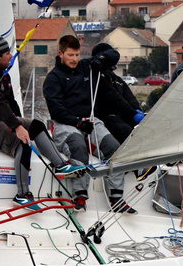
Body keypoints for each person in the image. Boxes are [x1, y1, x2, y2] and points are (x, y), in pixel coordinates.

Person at [0, 33, 85, 208]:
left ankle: (60, 165)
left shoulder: (2, 74)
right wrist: (17, 128)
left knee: (37, 125)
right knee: (22, 143)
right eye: (7, 54)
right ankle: (22, 195)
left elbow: (11, 103)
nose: (11, 56)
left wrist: (21, 122)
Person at [44, 39, 135, 212]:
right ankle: (80, 195)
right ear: (60, 54)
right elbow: (56, 111)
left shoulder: (86, 67)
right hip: (65, 123)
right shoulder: (53, 79)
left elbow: (114, 55)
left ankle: (116, 197)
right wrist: (78, 122)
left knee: (114, 147)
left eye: (77, 55)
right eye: (70, 55)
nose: (74, 59)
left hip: (90, 120)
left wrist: (101, 58)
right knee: (78, 146)